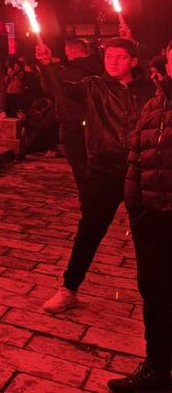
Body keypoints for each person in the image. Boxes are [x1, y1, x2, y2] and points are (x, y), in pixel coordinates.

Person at [37, 37, 154, 314]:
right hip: (104, 168)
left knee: (149, 237)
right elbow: (59, 90)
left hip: (140, 169)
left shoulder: (149, 89)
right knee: (90, 230)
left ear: (133, 61)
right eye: (109, 56)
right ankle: (68, 289)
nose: (113, 62)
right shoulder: (94, 86)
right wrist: (47, 66)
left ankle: (156, 300)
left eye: (121, 57)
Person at [109, 41, 172, 392]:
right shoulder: (154, 104)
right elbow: (135, 155)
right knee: (155, 294)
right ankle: (157, 368)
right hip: (151, 218)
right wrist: (135, 206)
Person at [51, 39, 104, 198]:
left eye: (67, 52)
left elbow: (55, 88)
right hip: (96, 123)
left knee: (79, 163)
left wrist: (49, 68)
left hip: (73, 123)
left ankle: (88, 196)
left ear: (72, 51)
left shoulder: (71, 72)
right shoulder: (100, 67)